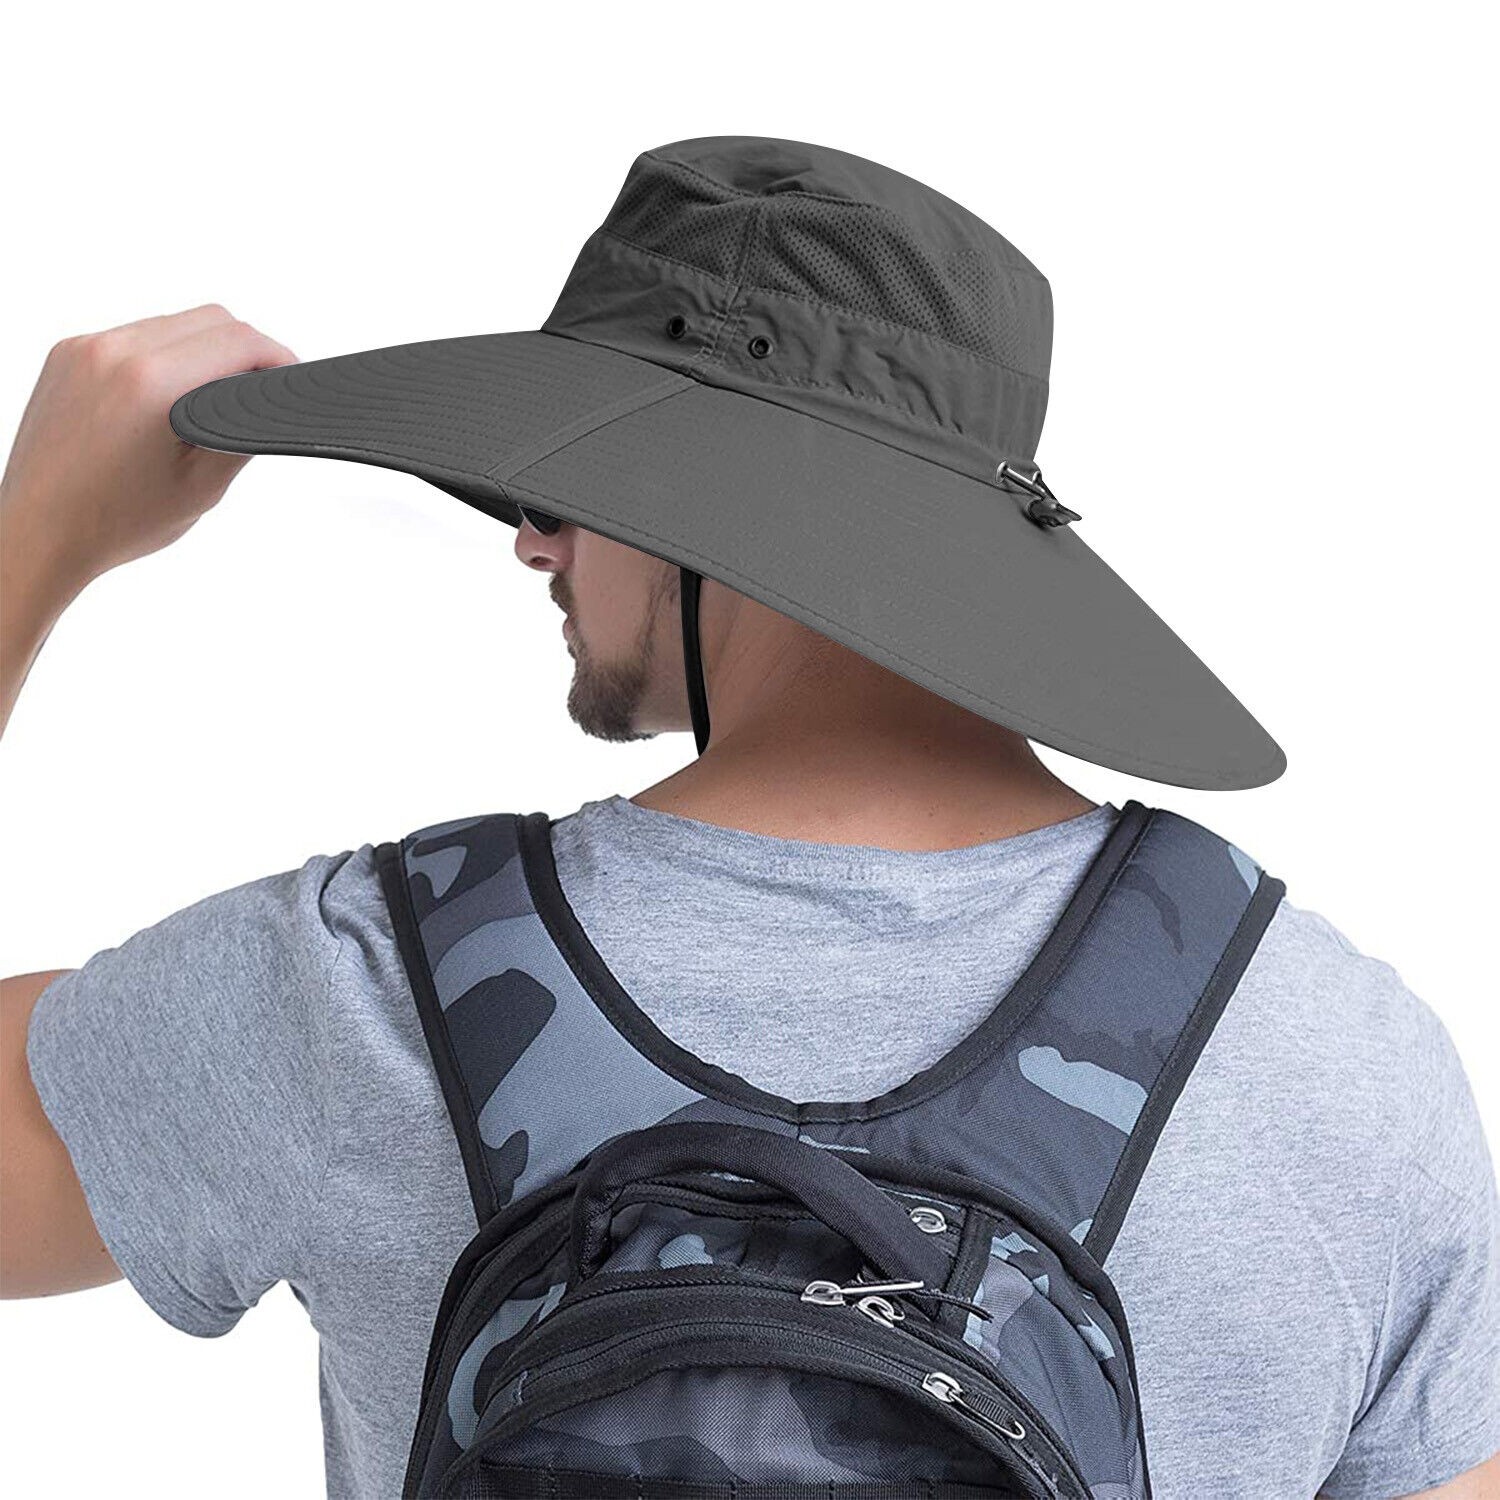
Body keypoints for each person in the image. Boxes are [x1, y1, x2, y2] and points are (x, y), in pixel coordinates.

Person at [3, 138, 1499, 1500]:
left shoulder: (359, 986)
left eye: (571, 482)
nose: (532, 538)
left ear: (718, 510)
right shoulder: (1336, 1058)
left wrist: (38, 536)